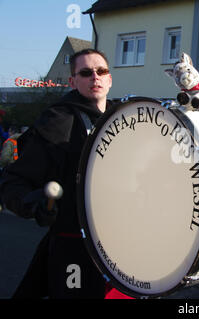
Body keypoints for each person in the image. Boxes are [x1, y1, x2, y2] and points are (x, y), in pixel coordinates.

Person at [0, 48, 113, 298]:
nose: (95, 77)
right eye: (85, 72)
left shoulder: (123, 118)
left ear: (109, 79)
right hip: (75, 247)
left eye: (101, 71)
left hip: (121, 247)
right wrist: (35, 202)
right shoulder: (57, 120)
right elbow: (13, 181)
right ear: (73, 81)